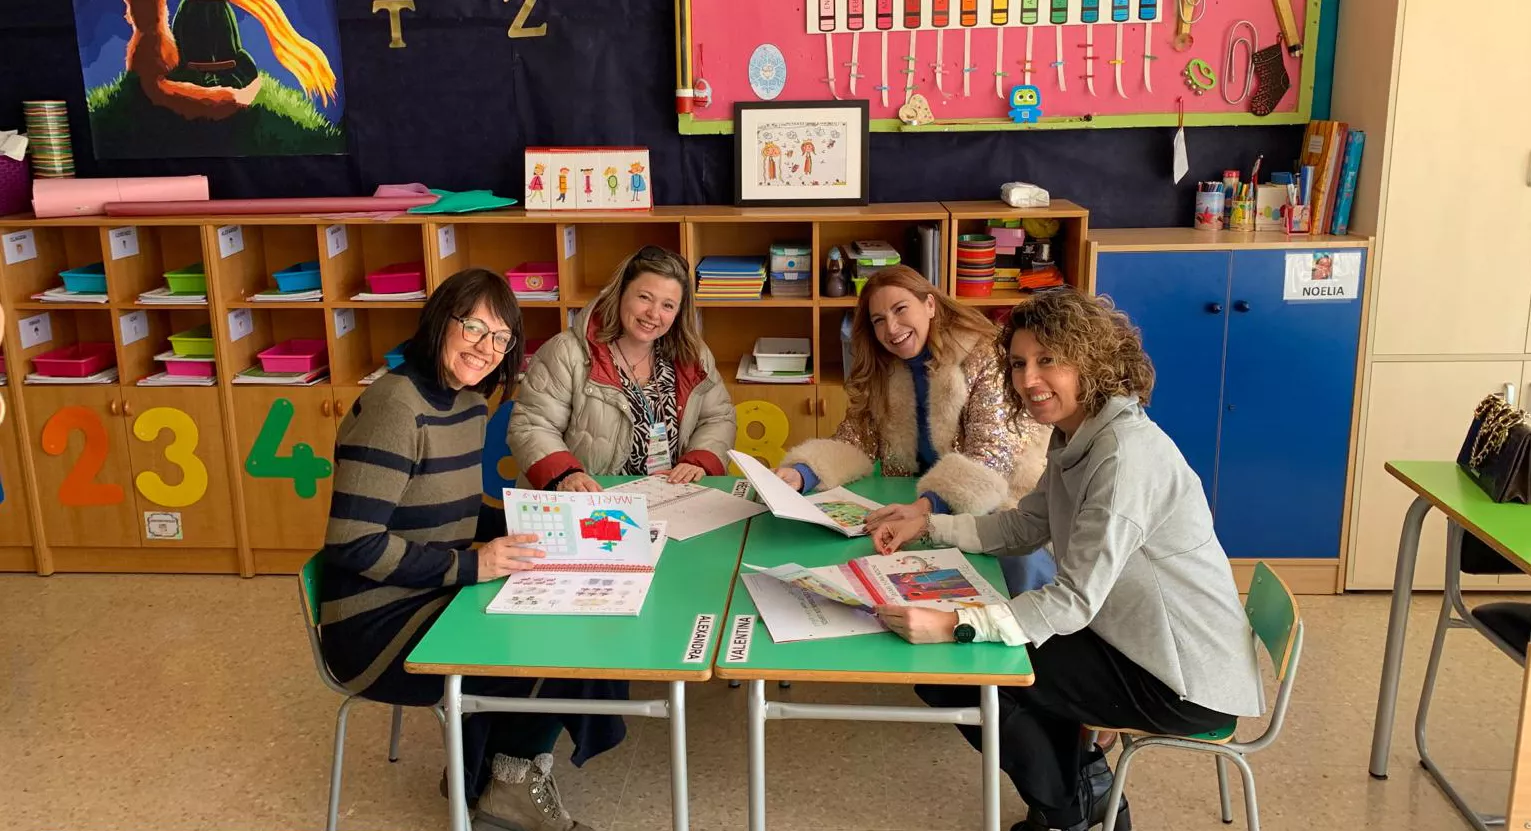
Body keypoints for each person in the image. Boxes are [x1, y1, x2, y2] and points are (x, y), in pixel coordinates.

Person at [872, 288, 1264, 831]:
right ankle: (1085, 793)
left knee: (969, 668)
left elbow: (1074, 600)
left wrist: (956, 625)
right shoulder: (1078, 435)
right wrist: (929, 524)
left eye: (1048, 360)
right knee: (1000, 658)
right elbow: (1025, 524)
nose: (1028, 379)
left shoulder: (1123, 456)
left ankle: (1069, 810)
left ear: (1091, 359)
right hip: (1134, 641)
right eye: (1018, 363)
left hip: (1181, 678)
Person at [319, 268, 615, 831]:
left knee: (574, 608)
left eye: (500, 338)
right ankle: (506, 784)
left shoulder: (466, 402)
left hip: (425, 591)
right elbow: (353, 544)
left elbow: (449, 506)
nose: (485, 348)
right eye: (474, 327)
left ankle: (486, 774)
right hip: (373, 622)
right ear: (440, 321)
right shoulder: (395, 406)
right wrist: (471, 564)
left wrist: (539, 522)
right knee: (545, 636)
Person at [772, 265, 1052, 587]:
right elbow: (854, 439)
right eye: (879, 321)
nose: (891, 328)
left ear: (930, 305)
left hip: (1004, 501)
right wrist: (803, 473)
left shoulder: (981, 354)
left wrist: (924, 508)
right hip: (924, 505)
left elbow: (991, 456)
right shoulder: (883, 369)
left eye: (900, 309)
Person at [509, 245, 735, 492]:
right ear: (620, 294)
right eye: (644, 297)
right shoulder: (566, 352)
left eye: (668, 306)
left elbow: (718, 417)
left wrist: (699, 460)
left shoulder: (693, 355)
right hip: (587, 499)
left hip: (668, 496)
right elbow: (532, 424)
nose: (653, 314)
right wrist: (567, 474)